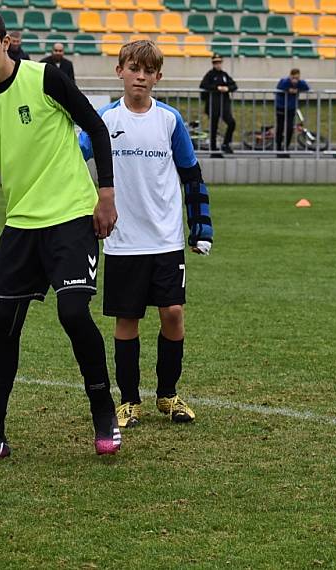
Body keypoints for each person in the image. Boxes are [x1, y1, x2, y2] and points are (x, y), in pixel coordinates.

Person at [0, 6, 122, 461]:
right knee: (5, 326)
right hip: (21, 224)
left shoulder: (45, 78)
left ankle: (103, 412)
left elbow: (96, 127)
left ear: (4, 41)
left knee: (72, 312)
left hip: (71, 215)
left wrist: (105, 194)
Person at [79, 39, 213, 429]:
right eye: (133, 68)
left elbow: (192, 175)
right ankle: (129, 401)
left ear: (158, 77)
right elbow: (72, 159)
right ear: (119, 71)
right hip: (122, 239)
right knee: (127, 321)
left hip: (166, 239)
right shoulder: (103, 120)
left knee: (173, 314)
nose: (140, 76)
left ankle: (168, 395)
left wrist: (201, 225)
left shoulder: (169, 120)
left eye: (148, 70)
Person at [199, 54, 237, 155]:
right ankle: (213, 149)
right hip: (213, 105)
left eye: (219, 62)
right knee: (214, 127)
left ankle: (226, 144)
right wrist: (217, 88)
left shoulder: (224, 74)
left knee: (231, 123)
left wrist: (227, 88)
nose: (218, 64)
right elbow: (203, 85)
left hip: (224, 105)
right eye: (215, 62)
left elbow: (234, 85)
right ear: (213, 64)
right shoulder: (210, 74)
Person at [275, 68, 310, 157]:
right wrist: (288, 89)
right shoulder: (285, 81)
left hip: (291, 108)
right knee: (280, 127)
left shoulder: (300, 83)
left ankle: (286, 148)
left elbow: (307, 87)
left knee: (289, 128)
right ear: (290, 76)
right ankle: (278, 148)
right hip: (281, 107)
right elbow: (280, 86)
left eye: (297, 78)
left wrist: (297, 89)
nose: (295, 80)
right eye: (293, 78)